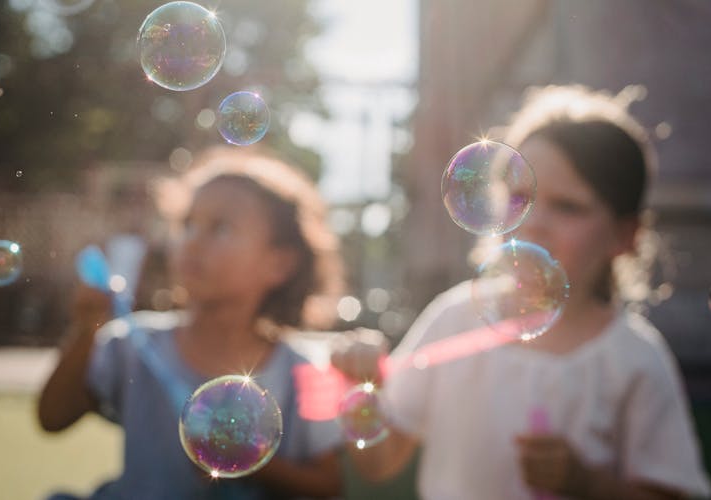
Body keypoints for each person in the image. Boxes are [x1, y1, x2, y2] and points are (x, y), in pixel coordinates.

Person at [332, 85, 711, 499]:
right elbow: (380, 462)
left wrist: (587, 483)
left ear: (624, 235)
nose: (533, 223)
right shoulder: (455, 318)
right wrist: (362, 389)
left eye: (567, 206)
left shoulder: (634, 359)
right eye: (519, 197)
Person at [38, 146, 346, 499]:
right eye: (187, 225)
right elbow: (53, 418)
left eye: (221, 228)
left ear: (279, 264)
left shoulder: (305, 373)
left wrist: (249, 460)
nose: (192, 242)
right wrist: (86, 328)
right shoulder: (133, 342)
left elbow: (328, 486)